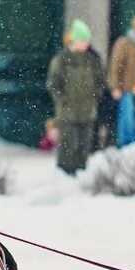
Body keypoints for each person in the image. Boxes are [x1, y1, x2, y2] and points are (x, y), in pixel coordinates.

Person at [46, 20, 106, 174]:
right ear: (74, 40)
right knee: (68, 146)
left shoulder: (92, 59)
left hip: (87, 110)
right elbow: (53, 83)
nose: (85, 43)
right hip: (68, 112)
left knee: (84, 146)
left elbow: (100, 81)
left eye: (87, 40)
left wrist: (95, 97)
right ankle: (65, 174)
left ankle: (81, 174)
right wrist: (62, 100)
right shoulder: (62, 59)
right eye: (82, 40)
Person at [108, 14, 135, 147]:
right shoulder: (124, 43)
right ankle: (125, 144)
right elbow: (115, 65)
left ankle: (134, 144)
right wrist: (115, 86)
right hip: (127, 88)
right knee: (127, 118)